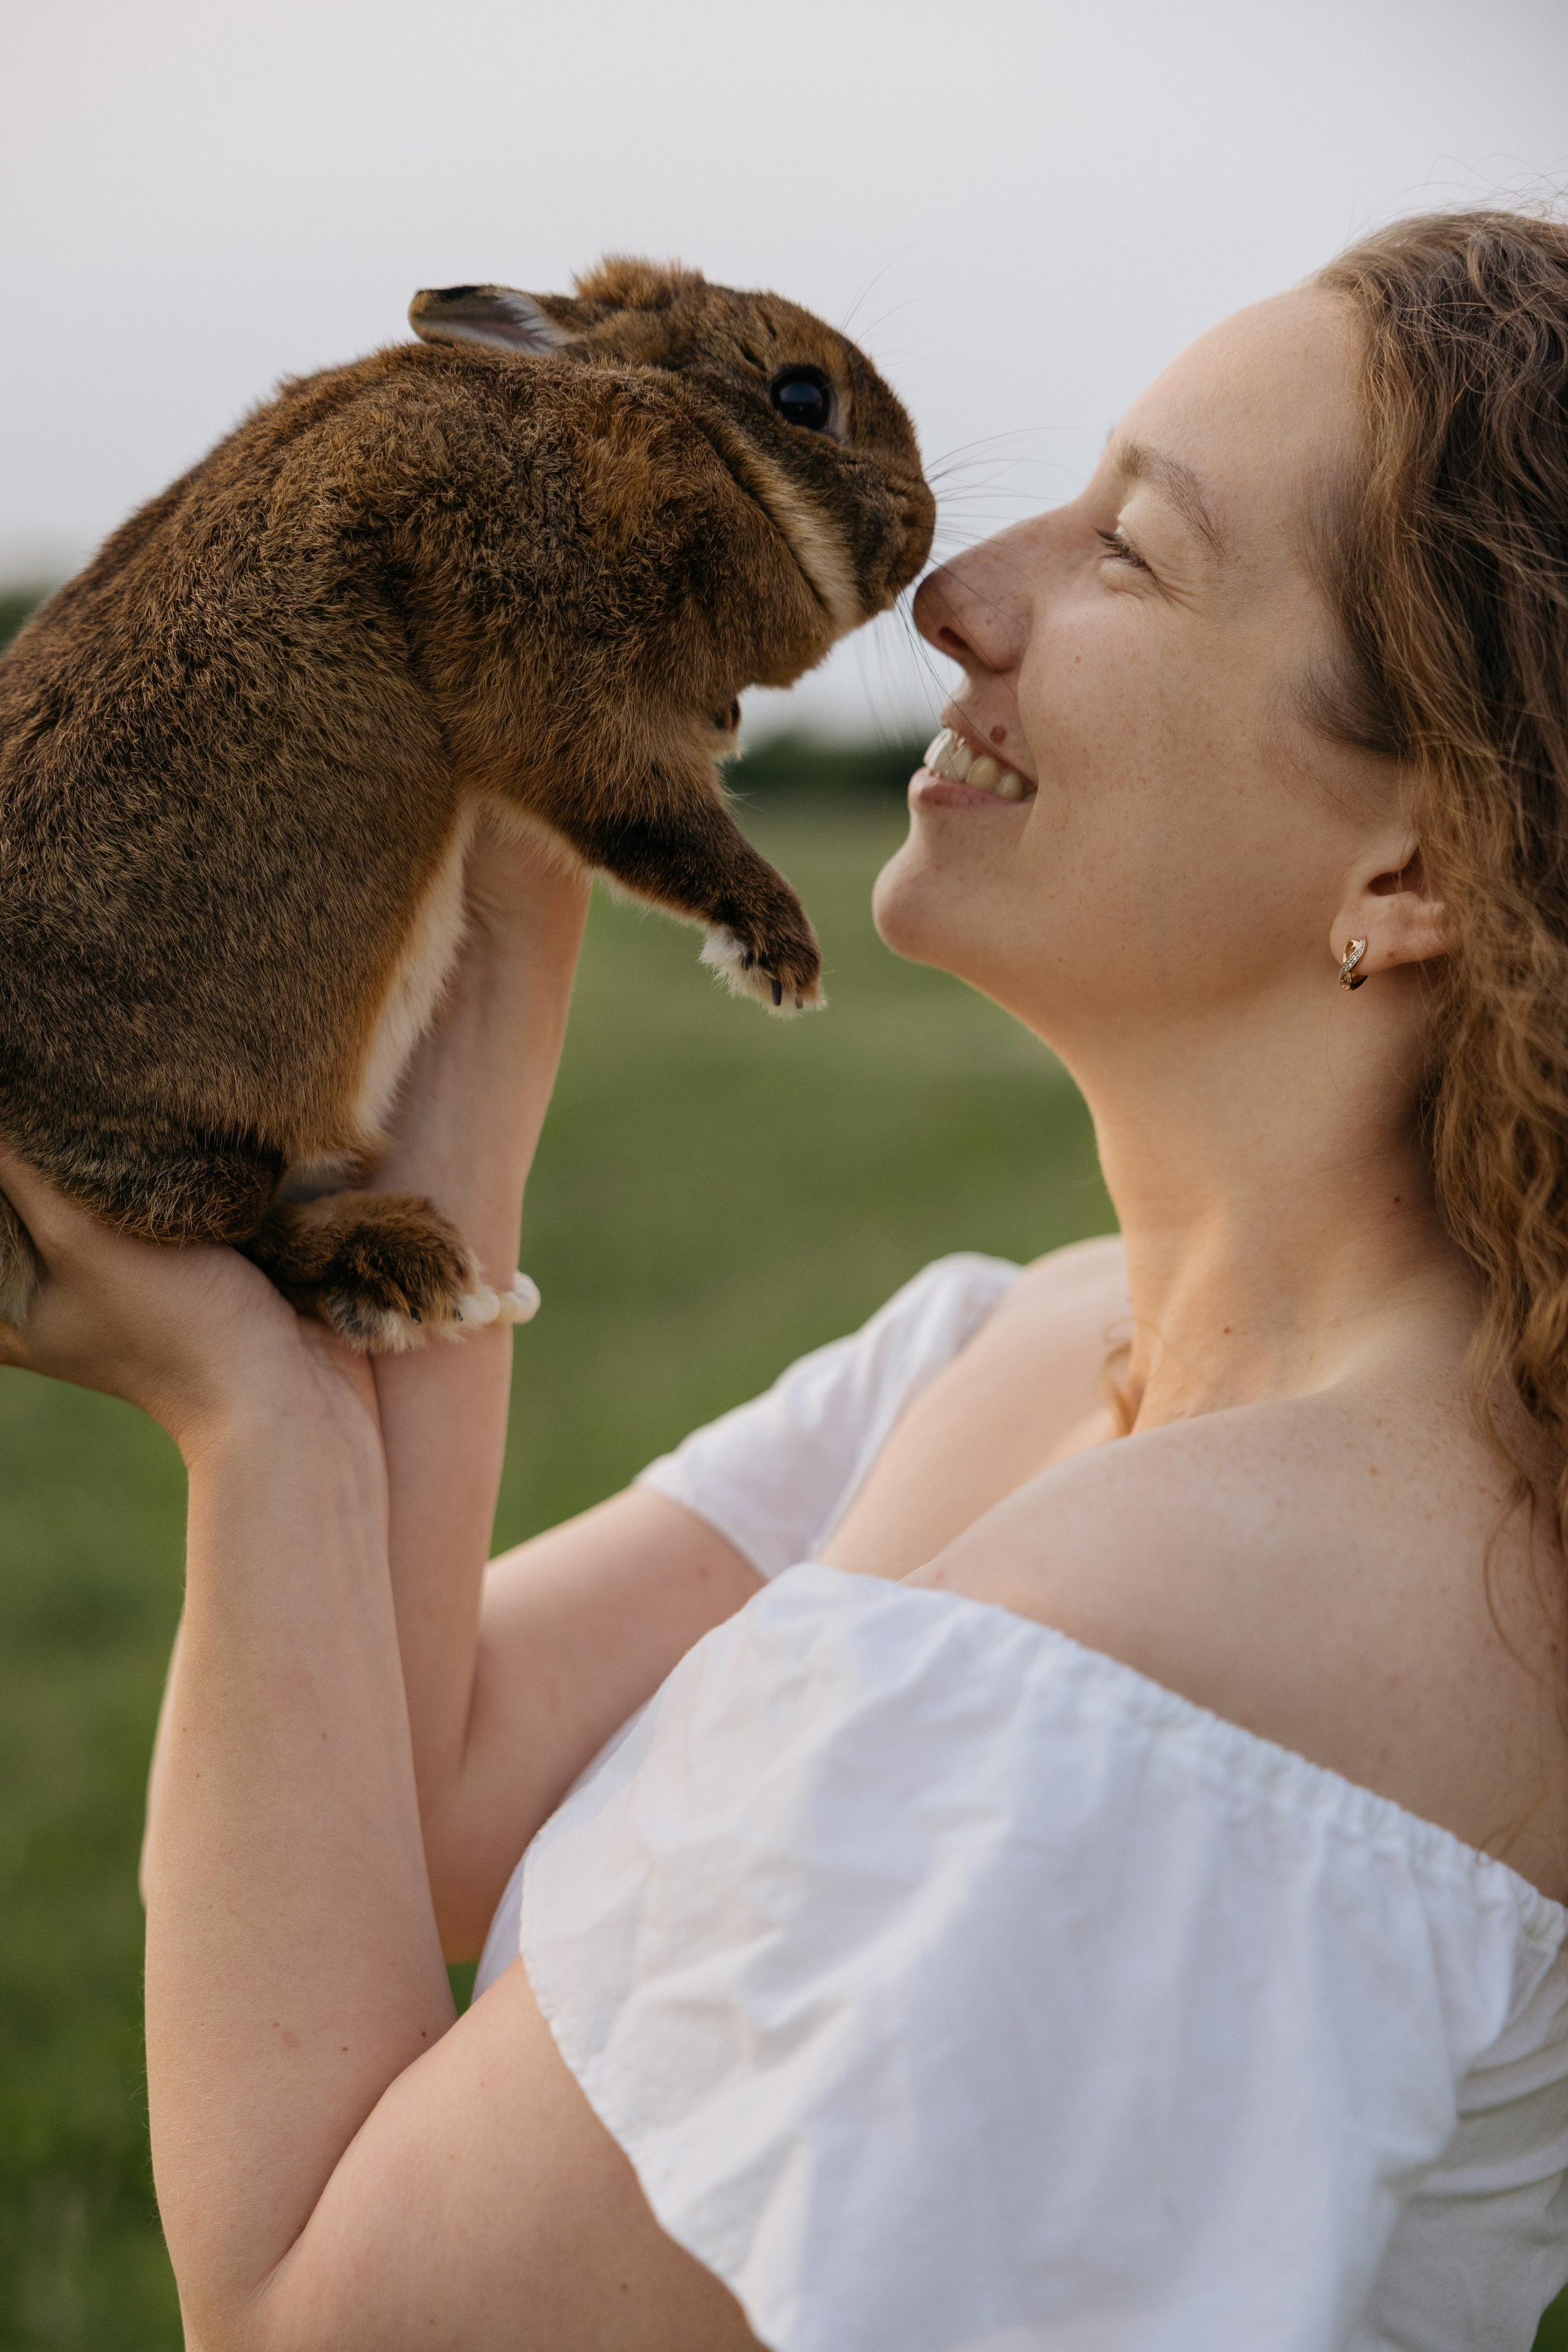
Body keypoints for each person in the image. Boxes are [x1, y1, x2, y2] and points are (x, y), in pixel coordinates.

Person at [5, 206, 1568, 2351]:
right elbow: (417, 1792)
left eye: (1133, 550)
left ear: (1416, 866)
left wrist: (256, 1417)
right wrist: (497, 856)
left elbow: (309, 2317)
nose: (954, 595)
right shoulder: (1024, 1337)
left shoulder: (1165, 1663)